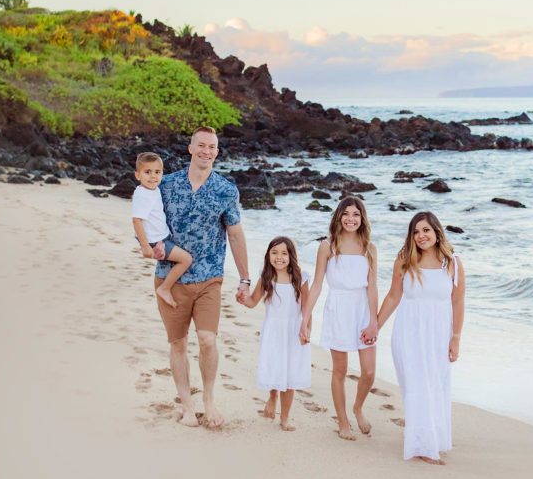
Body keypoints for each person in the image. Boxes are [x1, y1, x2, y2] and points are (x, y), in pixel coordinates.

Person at [154, 125, 250, 429]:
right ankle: (186, 405)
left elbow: (235, 234)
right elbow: (146, 223)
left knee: (208, 340)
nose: (207, 151)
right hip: (169, 278)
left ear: (217, 152)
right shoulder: (165, 185)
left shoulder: (226, 190)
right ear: (191, 148)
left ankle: (208, 401)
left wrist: (245, 278)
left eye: (213, 147)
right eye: (202, 146)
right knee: (178, 343)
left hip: (210, 278)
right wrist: (151, 247)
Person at [376, 211, 464, 465]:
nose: (421, 236)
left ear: (437, 232)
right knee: (416, 388)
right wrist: (376, 327)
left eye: (426, 230)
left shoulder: (453, 263)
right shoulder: (405, 259)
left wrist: (455, 338)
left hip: (438, 336)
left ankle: (433, 439)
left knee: (436, 386)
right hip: (409, 334)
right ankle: (423, 445)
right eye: (416, 231)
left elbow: (458, 303)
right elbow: (393, 296)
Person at [300, 196, 378, 441]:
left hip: (362, 309)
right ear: (338, 217)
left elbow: (373, 287)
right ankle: (343, 421)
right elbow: (316, 285)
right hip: (338, 309)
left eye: (356, 214)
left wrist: (374, 321)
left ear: (362, 218)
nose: (351, 219)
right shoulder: (328, 246)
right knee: (340, 370)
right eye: (346, 214)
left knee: (368, 371)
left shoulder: (369, 248)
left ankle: (357, 407)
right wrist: (305, 318)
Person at [236, 236, 310, 432]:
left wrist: (306, 329)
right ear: (268, 255)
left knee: (290, 375)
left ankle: (285, 417)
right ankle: (272, 395)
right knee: (275, 367)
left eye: (284, 253)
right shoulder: (267, 278)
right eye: (275, 253)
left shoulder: (301, 278)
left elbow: (307, 308)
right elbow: (252, 302)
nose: (279, 257)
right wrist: (243, 298)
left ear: (291, 256)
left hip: (294, 331)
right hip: (273, 331)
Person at [131, 151, 193, 307]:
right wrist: (145, 247)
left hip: (161, 237)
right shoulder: (143, 195)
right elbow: (137, 220)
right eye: (147, 172)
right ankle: (164, 288)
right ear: (137, 175)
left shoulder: (153, 189)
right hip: (153, 241)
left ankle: (160, 257)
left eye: (157, 172)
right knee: (186, 259)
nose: (153, 176)